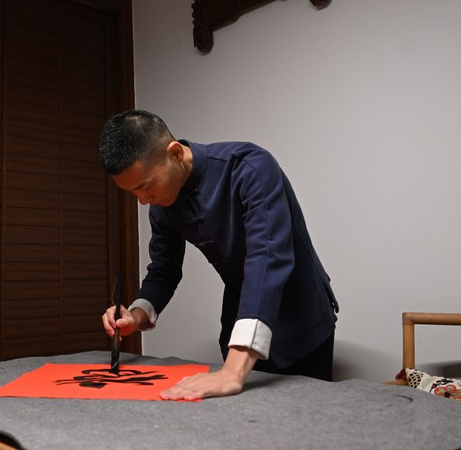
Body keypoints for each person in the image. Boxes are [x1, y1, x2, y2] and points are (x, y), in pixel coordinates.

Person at [99, 109, 338, 400]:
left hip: (301, 317)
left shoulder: (249, 167)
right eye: (133, 193)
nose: (143, 201)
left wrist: (233, 371)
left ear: (175, 153)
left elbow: (267, 258)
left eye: (145, 187)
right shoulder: (161, 204)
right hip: (239, 318)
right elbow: (163, 272)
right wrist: (134, 317)